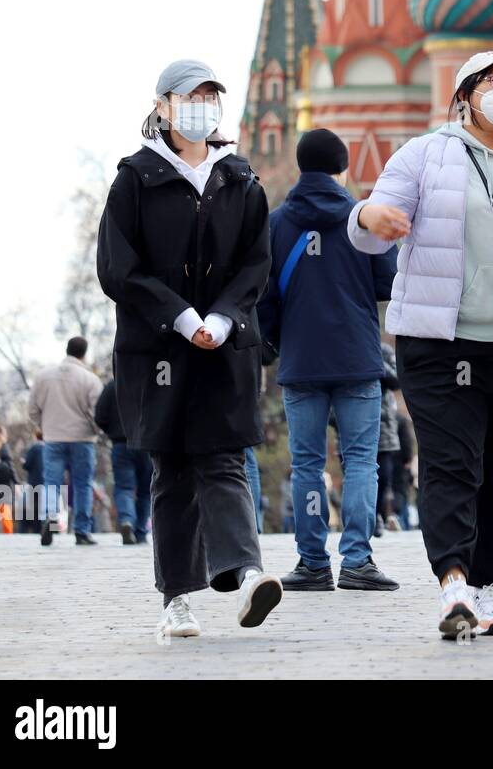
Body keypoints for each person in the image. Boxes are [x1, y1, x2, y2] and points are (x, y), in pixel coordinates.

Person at [350, 46, 493, 638]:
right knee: (451, 464)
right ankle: (453, 586)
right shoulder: (425, 155)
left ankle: (491, 587)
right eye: (492, 80)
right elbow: (369, 222)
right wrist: (371, 218)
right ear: (465, 94)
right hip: (440, 343)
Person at [97, 59, 282, 639]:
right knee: (173, 469)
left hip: (226, 345)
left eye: (210, 96)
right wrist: (179, 317)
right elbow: (117, 268)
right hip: (156, 348)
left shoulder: (240, 179)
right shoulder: (135, 179)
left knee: (224, 457)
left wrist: (225, 318)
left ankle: (247, 573)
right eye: (190, 96)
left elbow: (258, 262)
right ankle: (176, 596)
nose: (202, 106)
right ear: (163, 107)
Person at [256, 127, 400, 593]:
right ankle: (357, 560)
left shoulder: (277, 223)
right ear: (341, 169)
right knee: (361, 461)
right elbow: (388, 282)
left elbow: (262, 298)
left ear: (301, 167)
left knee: (307, 464)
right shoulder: (359, 220)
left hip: (302, 361)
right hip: (358, 356)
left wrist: (280, 341)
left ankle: (313, 562)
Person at [28, 337, 103, 546]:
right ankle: (81, 531)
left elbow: (32, 409)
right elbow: (97, 413)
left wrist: (43, 427)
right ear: (84, 353)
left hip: (53, 437)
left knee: (51, 482)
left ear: (67, 350)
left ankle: (50, 519)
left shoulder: (43, 376)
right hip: (83, 438)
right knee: (82, 485)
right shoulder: (90, 379)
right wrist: (95, 431)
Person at [94, 379, 151, 545]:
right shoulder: (148, 381)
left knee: (124, 487)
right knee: (145, 492)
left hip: (121, 443)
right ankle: (140, 531)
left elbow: (100, 416)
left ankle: (127, 521)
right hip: (147, 443)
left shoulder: (112, 386)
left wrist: (112, 431)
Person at [376, 342, 415, 532]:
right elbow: (407, 438)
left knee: (383, 482)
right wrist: (408, 458)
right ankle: (388, 516)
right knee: (396, 488)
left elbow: (396, 379)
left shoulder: (397, 417)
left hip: (388, 445)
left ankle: (383, 516)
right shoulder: (399, 418)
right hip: (394, 451)